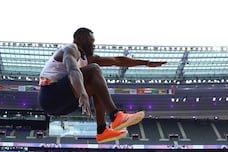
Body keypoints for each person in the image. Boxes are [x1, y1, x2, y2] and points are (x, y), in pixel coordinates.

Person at [38, 27, 167, 143]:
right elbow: (73, 70)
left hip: (63, 104)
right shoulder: (70, 49)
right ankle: (115, 115)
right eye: (92, 41)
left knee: (96, 83)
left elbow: (117, 61)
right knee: (94, 69)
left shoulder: (88, 58)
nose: (94, 45)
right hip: (50, 96)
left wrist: (146, 63)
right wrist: (82, 93)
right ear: (82, 39)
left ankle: (102, 130)